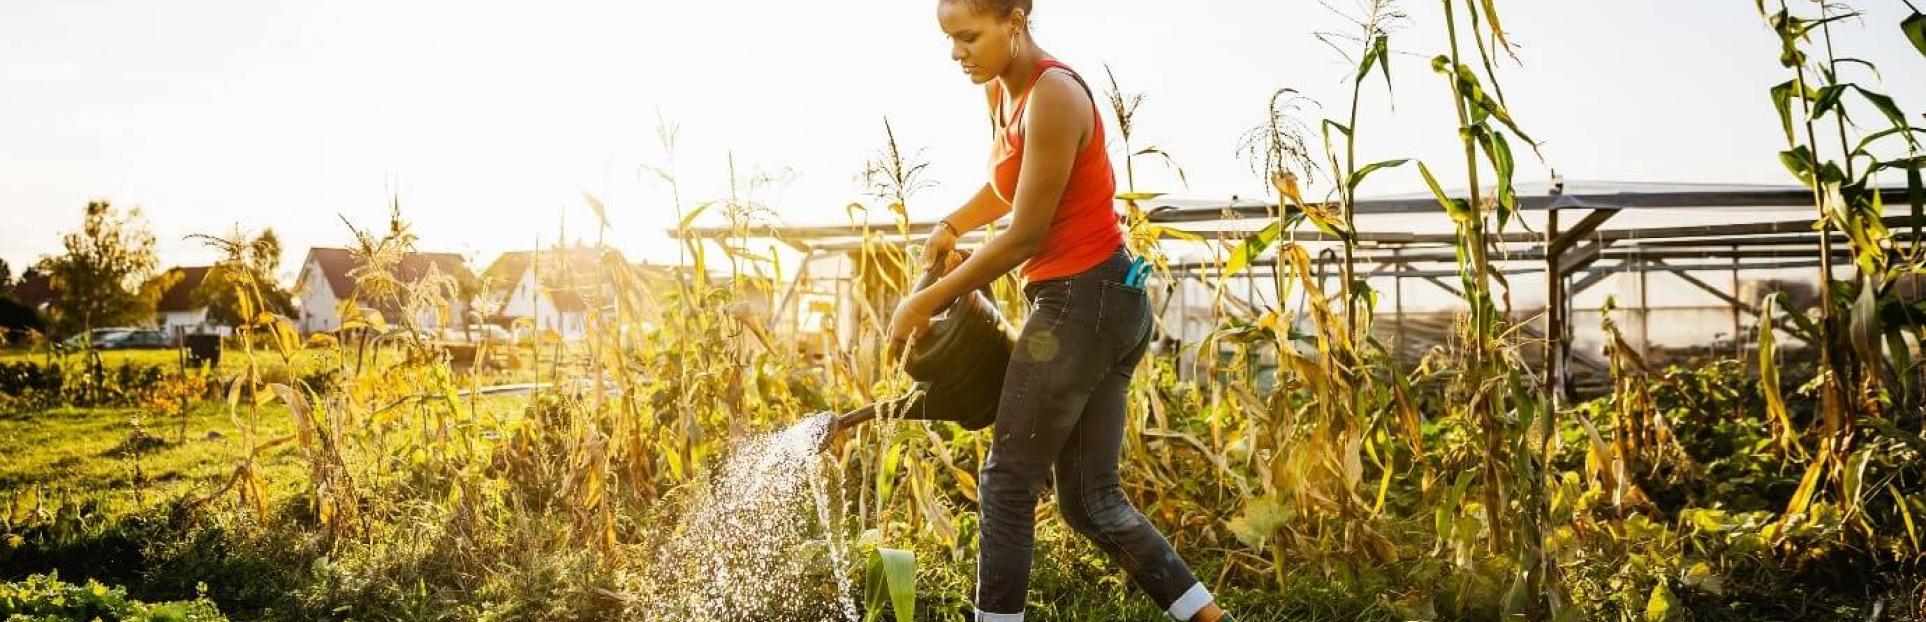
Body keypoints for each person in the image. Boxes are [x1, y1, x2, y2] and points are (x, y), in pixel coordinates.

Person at [877, 2, 1234, 620]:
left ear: (1014, 20)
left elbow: (1025, 236)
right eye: (949, 40)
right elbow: (1006, 186)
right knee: (1091, 503)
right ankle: (1209, 619)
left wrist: (922, 302)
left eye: (969, 36)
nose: (957, 53)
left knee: (1007, 482)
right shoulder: (1002, 95)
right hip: (1100, 304)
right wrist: (950, 225)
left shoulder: (1055, 95)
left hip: (1084, 301)